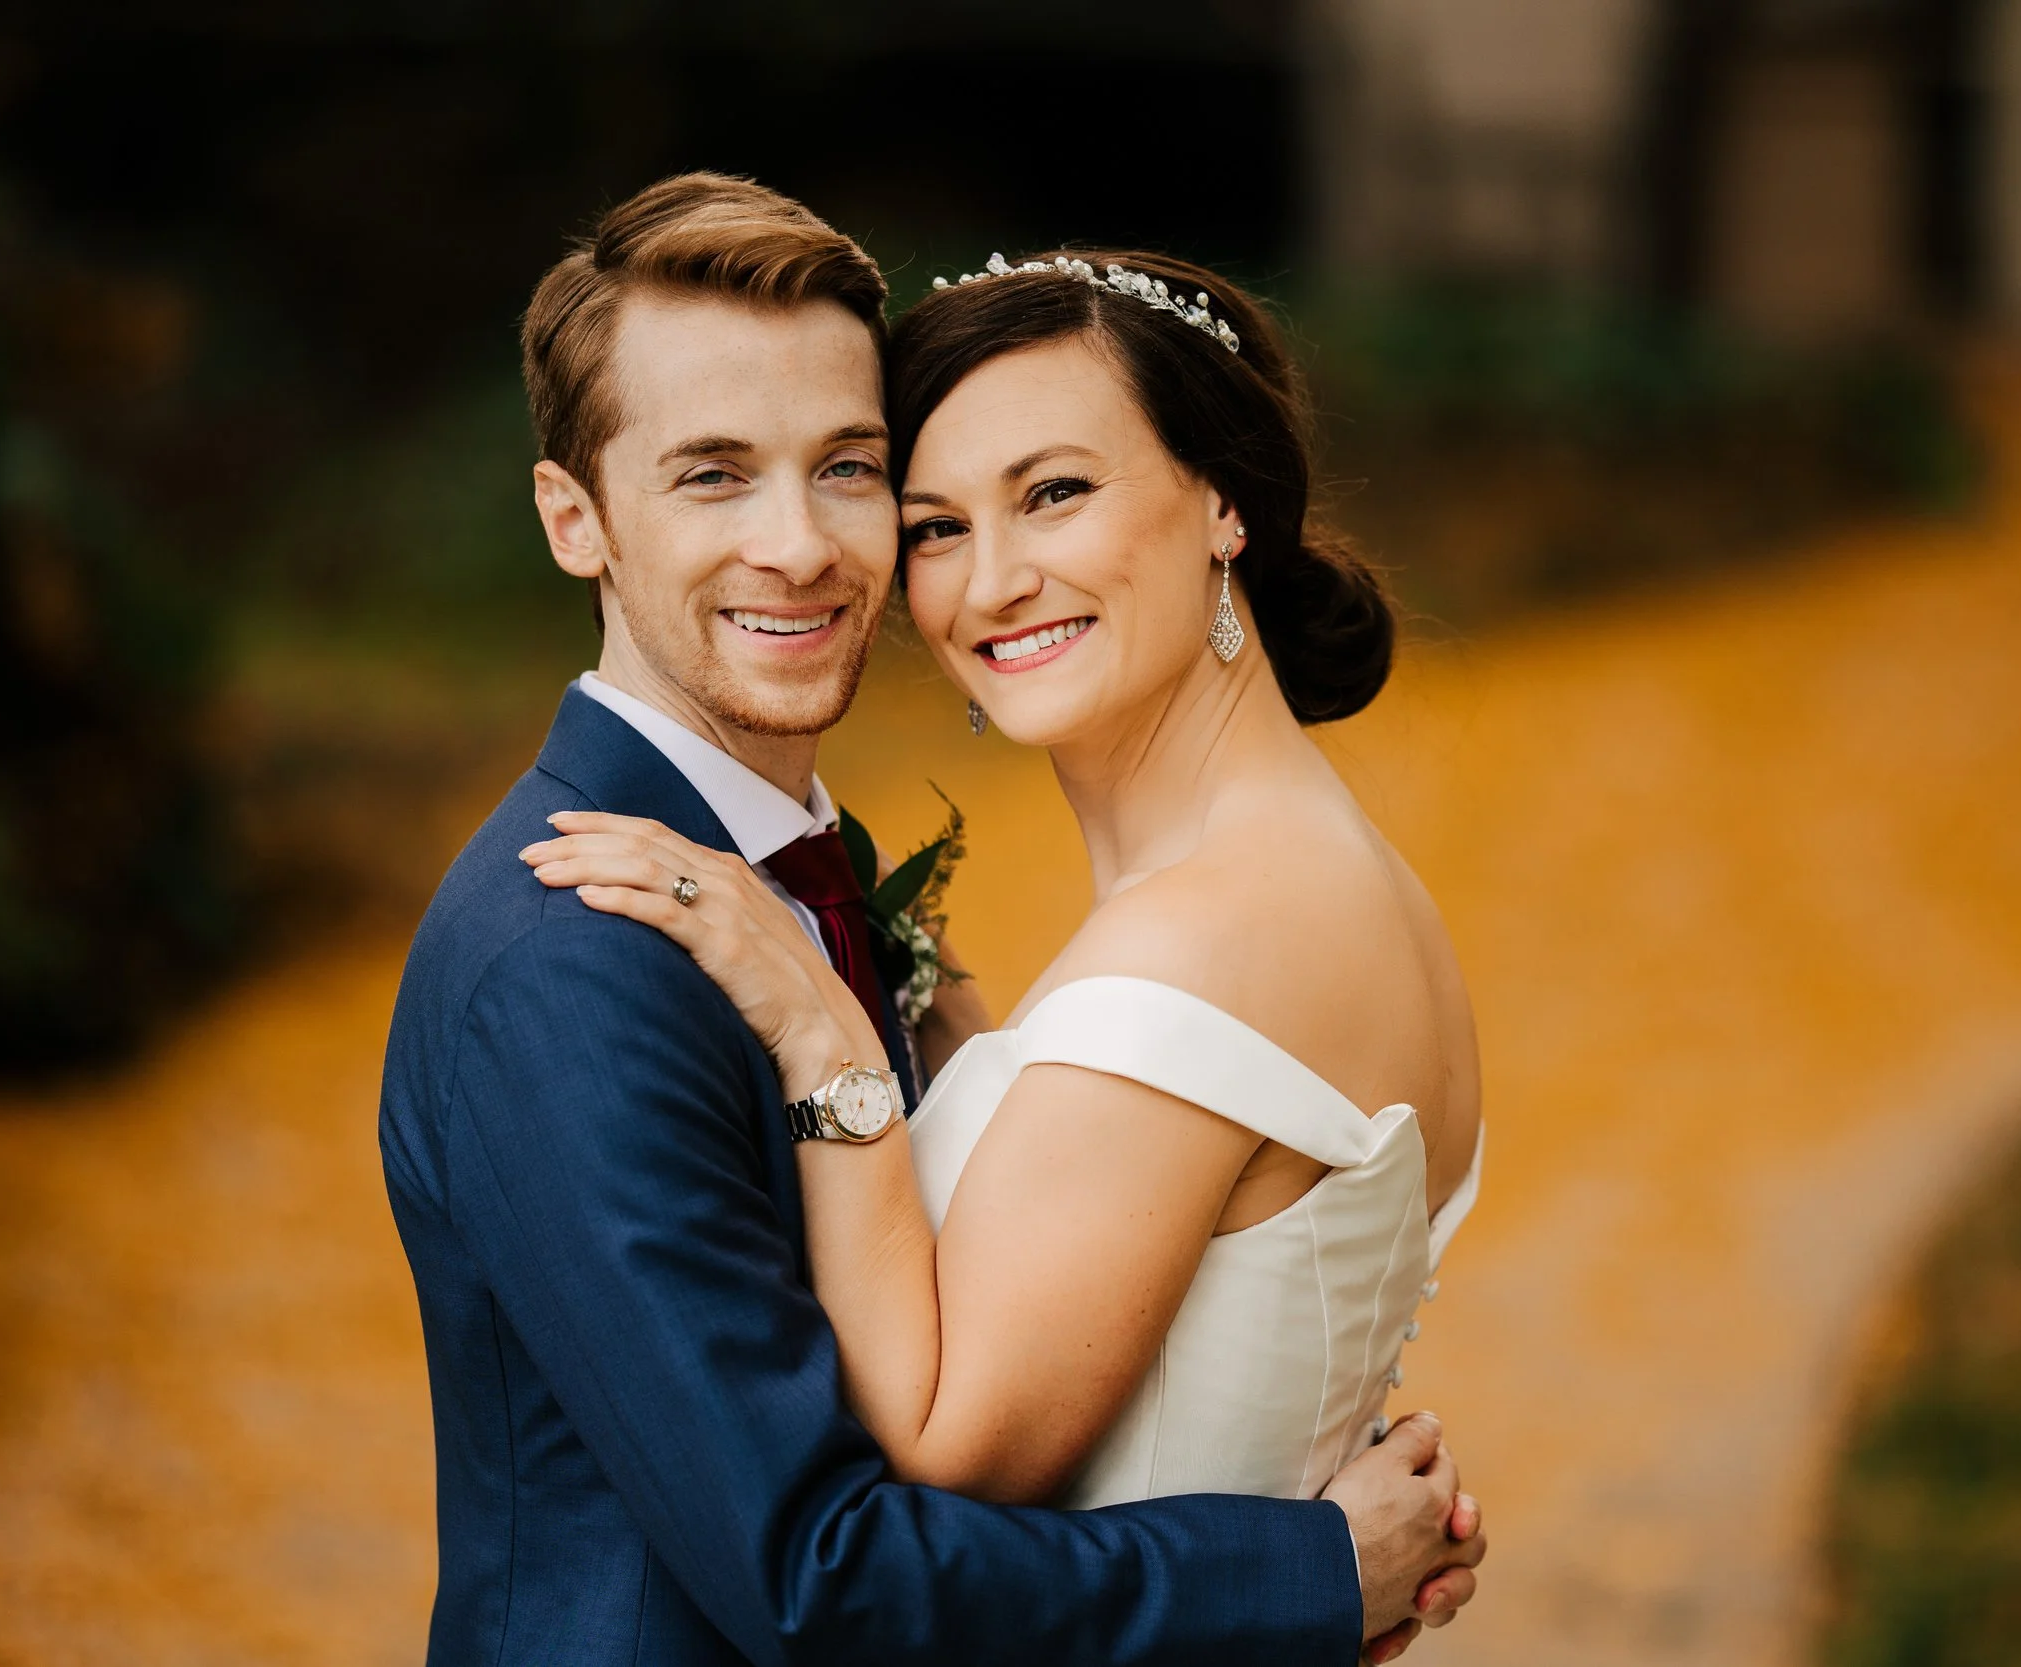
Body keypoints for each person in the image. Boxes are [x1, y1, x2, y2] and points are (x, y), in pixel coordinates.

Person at [380, 172, 1482, 1667]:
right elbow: (819, 1575)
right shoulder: (577, 955)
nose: (804, 546)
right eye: (714, 474)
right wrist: (1300, 1572)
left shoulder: (831, 889)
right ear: (575, 519)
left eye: (846, 471)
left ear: (1222, 501)